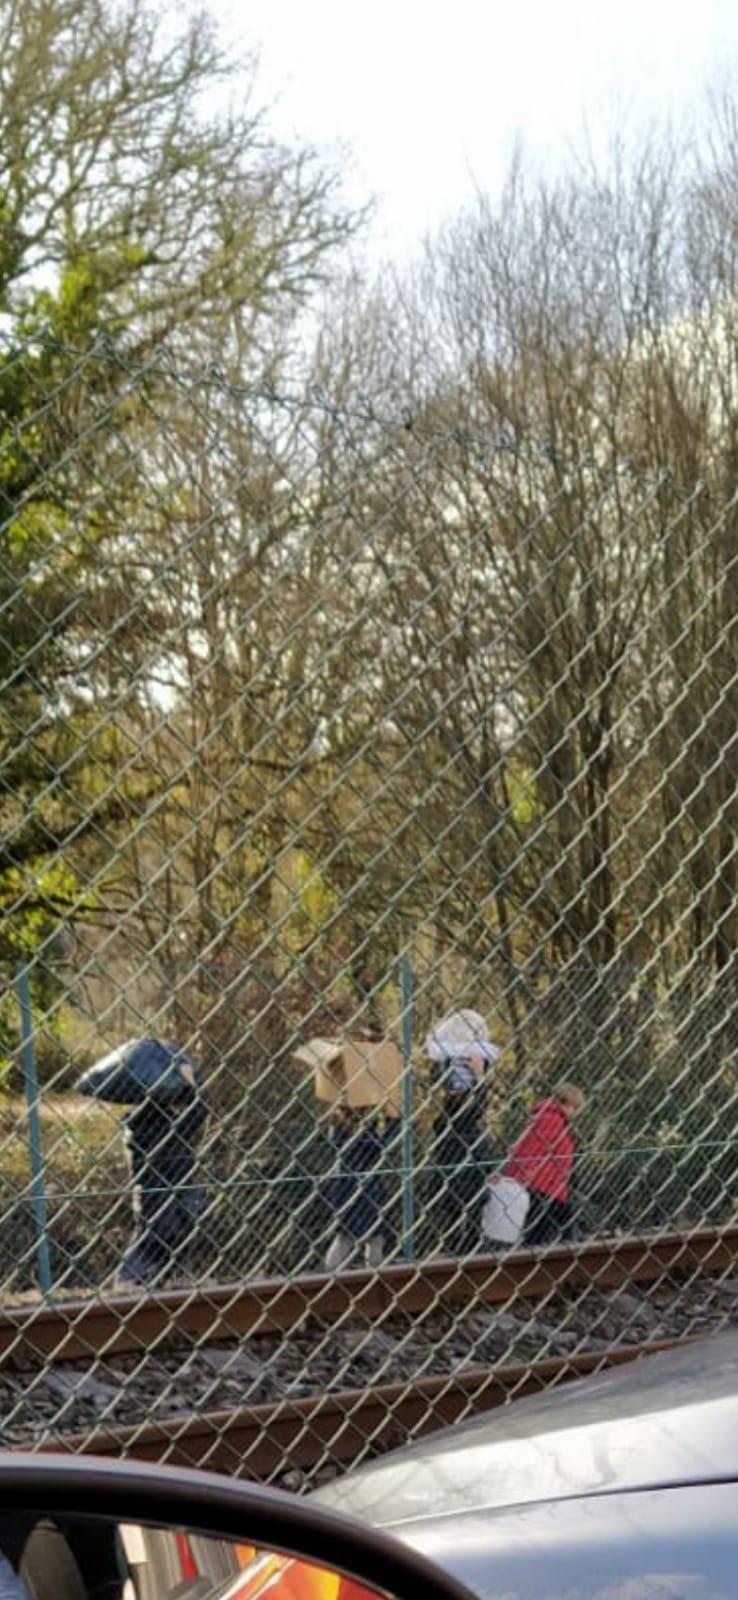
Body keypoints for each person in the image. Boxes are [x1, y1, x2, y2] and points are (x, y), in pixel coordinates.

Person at [77, 1038, 208, 1287]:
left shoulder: (151, 1125)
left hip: (173, 1194)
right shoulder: (147, 1130)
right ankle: (128, 1283)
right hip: (160, 1195)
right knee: (157, 1238)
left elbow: (196, 1115)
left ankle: (145, 1284)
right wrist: (192, 1083)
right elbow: (198, 1112)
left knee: (162, 1240)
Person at [425, 1011, 499, 1256]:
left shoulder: (447, 1120)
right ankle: (465, 1245)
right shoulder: (457, 1121)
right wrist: (478, 1076)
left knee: (462, 1217)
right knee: (467, 1215)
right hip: (464, 1175)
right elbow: (475, 1108)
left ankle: (461, 1244)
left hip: (460, 1175)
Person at [502, 1083, 585, 1245]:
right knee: (553, 1219)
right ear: (567, 1104)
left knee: (553, 1218)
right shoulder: (552, 1120)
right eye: (574, 1108)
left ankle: (570, 1241)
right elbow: (544, 1151)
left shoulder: (544, 1117)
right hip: (544, 1183)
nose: (574, 1113)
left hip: (540, 1180)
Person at [324, 1105, 399, 1270]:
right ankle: (334, 1271)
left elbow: (379, 1146)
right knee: (359, 1238)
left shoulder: (345, 1132)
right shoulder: (348, 1135)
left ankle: (336, 1270)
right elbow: (381, 1146)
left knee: (359, 1237)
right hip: (361, 1190)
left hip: (355, 1189)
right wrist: (392, 1120)